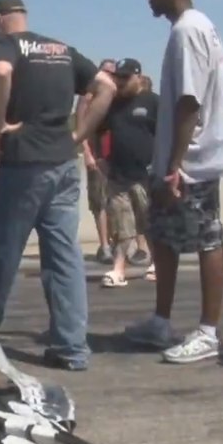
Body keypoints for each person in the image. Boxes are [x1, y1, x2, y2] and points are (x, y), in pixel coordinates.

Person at [0, 0, 117, 371]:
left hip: (23, 165)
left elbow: (1, 73)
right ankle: (71, 348)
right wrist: (80, 133)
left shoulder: (8, 45)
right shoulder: (62, 49)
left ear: (1, 19)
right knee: (64, 257)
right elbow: (107, 87)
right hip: (63, 163)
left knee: (3, 254)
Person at [122, 0, 223, 364]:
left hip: (193, 161)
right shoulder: (196, 27)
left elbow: (189, 101)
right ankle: (161, 321)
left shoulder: (188, 30)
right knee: (163, 235)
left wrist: (174, 166)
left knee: (207, 237)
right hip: (181, 159)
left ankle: (209, 330)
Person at [97, 58, 159, 289]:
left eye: (125, 77)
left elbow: (166, 134)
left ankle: (157, 263)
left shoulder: (153, 102)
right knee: (121, 223)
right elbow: (98, 129)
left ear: (138, 77)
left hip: (145, 175)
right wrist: (99, 158)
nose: (120, 82)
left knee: (148, 221)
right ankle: (119, 268)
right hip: (118, 174)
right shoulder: (113, 104)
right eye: (117, 77)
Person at [82, 59, 118, 263]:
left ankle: (118, 244)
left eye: (113, 73)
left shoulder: (118, 98)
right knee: (99, 202)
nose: (110, 76)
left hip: (118, 158)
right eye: (106, 72)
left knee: (118, 202)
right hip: (98, 157)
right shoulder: (90, 98)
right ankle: (104, 245)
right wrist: (88, 153)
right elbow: (82, 128)